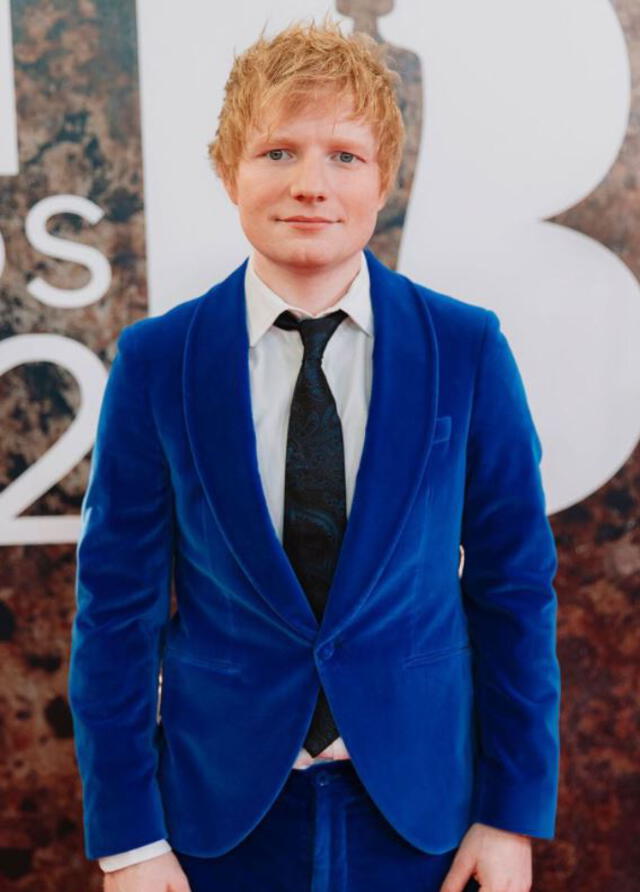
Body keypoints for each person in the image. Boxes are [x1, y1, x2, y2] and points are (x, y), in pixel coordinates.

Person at [68, 16, 561, 892]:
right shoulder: (156, 362)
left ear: (384, 181)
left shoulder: (466, 349)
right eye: (278, 152)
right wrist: (129, 840)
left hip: (423, 814)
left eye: (344, 155)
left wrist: (509, 813)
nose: (310, 184)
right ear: (229, 170)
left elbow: (513, 589)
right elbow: (116, 613)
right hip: (215, 819)